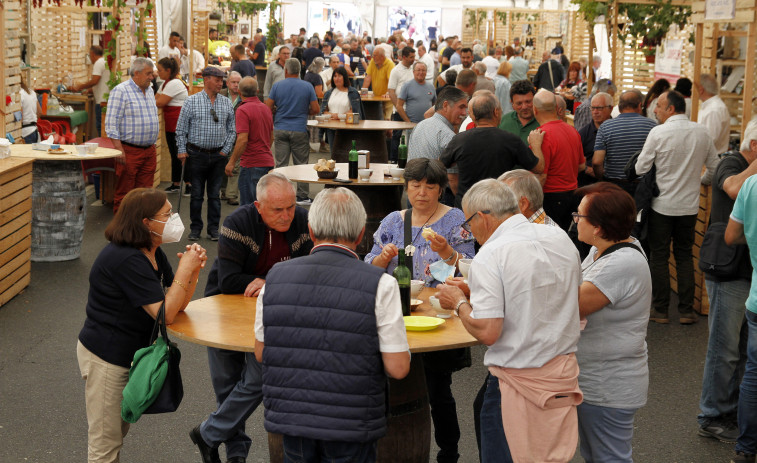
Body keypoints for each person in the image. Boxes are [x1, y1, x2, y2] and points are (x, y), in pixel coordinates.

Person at [254, 186, 409, 463]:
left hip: (293, 419)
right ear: (362, 234)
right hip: (352, 422)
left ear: (311, 231)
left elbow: (261, 352)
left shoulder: (274, 277)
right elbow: (398, 368)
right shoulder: (381, 284)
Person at [436, 179, 582, 463]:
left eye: (469, 222)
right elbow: (547, 294)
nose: (471, 231)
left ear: (483, 217)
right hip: (561, 373)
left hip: (518, 378)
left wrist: (459, 303)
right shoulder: (559, 237)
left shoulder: (491, 254)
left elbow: (488, 331)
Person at [78, 188, 206, 463]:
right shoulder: (125, 258)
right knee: (106, 443)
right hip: (107, 357)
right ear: (146, 223)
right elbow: (166, 315)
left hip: (129, 353)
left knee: (116, 433)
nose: (174, 220)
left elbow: (178, 301)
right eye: (167, 215)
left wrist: (192, 272)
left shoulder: (152, 252)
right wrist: (185, 271)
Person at [191, 172, 313, 463]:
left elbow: (310, 272)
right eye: (277, 210)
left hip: (276, 315)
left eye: (290, 207)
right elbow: (229, 281)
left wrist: (266, 281)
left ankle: (208, 433)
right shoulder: (237, 223)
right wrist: (279, 279)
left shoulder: (305, 222)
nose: (286, 216)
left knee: (258, 378)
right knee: (226, 385)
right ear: (259, 206)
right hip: (223, 311)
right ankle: (236, 455)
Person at [365, 158, 474, 463]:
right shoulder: (393, 221)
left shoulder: (454, 220)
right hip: (397, 314)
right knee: (391, 386)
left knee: (439, 389)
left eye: (430, 186)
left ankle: (448, 452)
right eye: (415, 185)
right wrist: (382, 257)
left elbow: (469, 269)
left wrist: (446, 251)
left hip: (439, 315)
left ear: (441, 189)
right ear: (407, 187)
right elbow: (368, 266)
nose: (422, 192)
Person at [573, 182, 651, 463]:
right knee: (597, 456)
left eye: (579, 216)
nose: (574, 220)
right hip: (599, 380)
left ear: (598, 227)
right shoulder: (602, 251)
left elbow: (570, 305)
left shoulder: (619, 264)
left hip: (608, 385)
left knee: (609, 458)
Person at [635, 90, 719, 324]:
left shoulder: (658, 132)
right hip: (690, 207)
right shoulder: (702, 132)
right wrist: (700, 182)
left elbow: (641, 168)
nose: (655, 110)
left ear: (671, 109)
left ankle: (661, 310)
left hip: (662, 205)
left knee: (659, 256)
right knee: (684, 256)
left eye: (659, 106)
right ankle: (686, 310)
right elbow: (715, 166)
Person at [698, 126, 757, 445]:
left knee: (744, 350)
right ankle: (711, 415)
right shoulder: (731, 163)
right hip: (728, 270)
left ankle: (732, 410)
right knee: (724, 348)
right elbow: (734, 188)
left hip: (747, 271)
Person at [441, 91, 544, 208]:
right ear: (496, 112)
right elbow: (539, 168)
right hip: (498, 207)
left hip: (466, 206)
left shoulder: (459, 140)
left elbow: (440, 165)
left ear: (473, 116)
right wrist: (536, 145)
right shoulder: (511, 140)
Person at [724, 128, 757, 463]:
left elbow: (732, 236)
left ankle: (746, 448)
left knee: (753, 373)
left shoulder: (750, 185)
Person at [175, 66, 236, 241]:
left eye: (221, 80)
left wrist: (225, 151)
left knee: (215, 195)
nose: (220, 84)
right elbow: (181, 129)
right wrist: (181, 150)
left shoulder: (226, 103)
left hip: (218, 156)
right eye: (217, 80)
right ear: (206, 79)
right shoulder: (191, 101)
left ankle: (213, 229)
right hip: (196, 154)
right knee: (196, 195)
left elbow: (232, 130)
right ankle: (195, 229)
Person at [104, 57, 160, 213]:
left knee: (145, 194)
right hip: (129, 151)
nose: (152, 77)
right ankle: (120, 234)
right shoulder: (121, 91)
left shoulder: (149, 90)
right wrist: (118, 149)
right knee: (126, 194)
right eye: (148, 73)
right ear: (136, 73)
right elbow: (111, 123)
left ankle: (139, 232)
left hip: (149, 150)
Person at [265, 58, 320, 206]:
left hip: (280, 128)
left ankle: (280, 193)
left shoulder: (277, 86)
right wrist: (303, 110)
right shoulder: (307, 86)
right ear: (299, 71)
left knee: (281, 164)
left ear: (286, 70)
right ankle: (302, 196)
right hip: (299, 129)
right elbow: (316, 109)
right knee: (301, 164)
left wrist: (278, 109)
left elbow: (267, 107)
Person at [531, 88, 586, 231]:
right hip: (572, 194)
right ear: (556, 108)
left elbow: (541, 175)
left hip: (550, 197)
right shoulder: (572, 130)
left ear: (535, 110)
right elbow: (581, 166)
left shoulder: (540, 136)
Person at [408, 87, 469, 205]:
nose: (464, 113)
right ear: (445, 105)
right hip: (438, 200)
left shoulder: (420, 125)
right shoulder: (449, 136)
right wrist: (462, 205)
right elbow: (452, 179)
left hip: (413, 195)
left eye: (465, 108)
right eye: (461, 107)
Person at [592, 90, 656, 195]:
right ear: (640, 105)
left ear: (619, 106)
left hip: (613, 184)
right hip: (642, 185)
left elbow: (597, 162)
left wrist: (602, 178)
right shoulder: (652, 126)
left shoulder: (606, 127)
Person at [227, 77, 274, 206]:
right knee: (263, 205)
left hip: (251, 164)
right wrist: (263, 150)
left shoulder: (242, 110)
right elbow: (271, 137)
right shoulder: (266, 108)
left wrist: (231, 162)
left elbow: (242, 140)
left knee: (249, 207)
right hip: (267, 161)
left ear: (240, 93)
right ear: (257, 90)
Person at [155, 57, 190, 195]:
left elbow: (159, 102)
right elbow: (155, 98)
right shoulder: (166, 83)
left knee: (182, 154)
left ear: (168, 70)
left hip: (179, 124)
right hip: (171, 124)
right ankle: (176, 183)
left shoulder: (174, 83)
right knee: (174, 154)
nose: (158, 73)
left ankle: (189, 184)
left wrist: (156, 100)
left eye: (160, 70)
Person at [69, 45, 110, 137]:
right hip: (105, 99)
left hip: (101, 101)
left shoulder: (98, 63)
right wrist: (89, 90)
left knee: (100, 127)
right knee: (103, 127)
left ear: (92, 54)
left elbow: (95, 80)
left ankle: (103, 148)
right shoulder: (104, 61)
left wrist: (80, 87)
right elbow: (102, 82)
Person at [320, 66, 365, 148]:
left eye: (339, 76)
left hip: (347, 129)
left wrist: (339, 116)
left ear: (345, 77)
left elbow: (355, 111)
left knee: (346, 153)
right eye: (335, 76)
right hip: (331, 128)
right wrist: (333, 115)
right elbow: (323, 111)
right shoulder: (328, 93)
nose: (337, 78)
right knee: (333, 154)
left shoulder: (353, 93)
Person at [576, 92, 613, 186]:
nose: (595, 112)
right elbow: (573, 161)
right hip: (589, 185)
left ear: (611, 108)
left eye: (599, 108)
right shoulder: (583, 134)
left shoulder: (618, 130)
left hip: (613, 185)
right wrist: (588, 170)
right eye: (592, 108)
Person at [388, 46, 417, 161]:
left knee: (412, 135)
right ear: (404, 57)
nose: (413, 59)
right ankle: (393, 160)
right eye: (411, 57)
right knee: (397, 135)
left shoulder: (412, 70)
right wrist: (399, 108)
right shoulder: (396, 71)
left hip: (412, 109)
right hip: (400, 109)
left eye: (414, 57)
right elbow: (391, 91)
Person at [497, 80, 539, 146]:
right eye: (519, 103)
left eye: (528, 102)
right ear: (512, 104)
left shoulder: (544, 121)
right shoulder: (503, 121)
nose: (524, 107)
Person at [697, 73, 731, 154]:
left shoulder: (713, 109)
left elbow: (710, 139)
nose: (691, 90)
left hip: (712, 160)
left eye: (693, 88)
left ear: (701, 89)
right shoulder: (711, 106)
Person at [362, 47, 395, 119]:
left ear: (382, 57)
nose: (373, 57)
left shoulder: (390, 64)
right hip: (376, 97)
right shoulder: (372, 62)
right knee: (377, 119)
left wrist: (388, 93)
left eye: (375, 55)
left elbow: (391, 80)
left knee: (387, 120)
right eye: (373, 55)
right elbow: (368, 77)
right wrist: (363, 92)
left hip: (387, 98)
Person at [19, 75, 41, 144]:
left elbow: (20, 118)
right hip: (34, 131)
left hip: (25, 133)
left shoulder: (19, 94)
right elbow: (40, 112)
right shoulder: (31, 92)